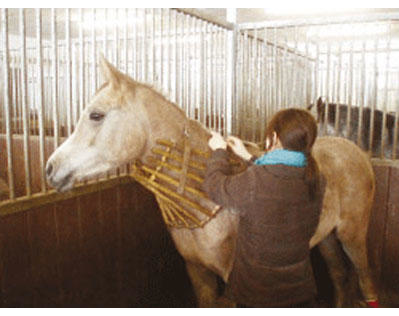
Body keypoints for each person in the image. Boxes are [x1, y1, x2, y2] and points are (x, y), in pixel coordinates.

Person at [202, 108, 326, 308]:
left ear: (274, 138)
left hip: (258, 294)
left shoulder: (256, 181)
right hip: (300, 290)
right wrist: (247, 156)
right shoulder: (316, 179)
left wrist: (218, 151)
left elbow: (215, 187)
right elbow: (274, 179)